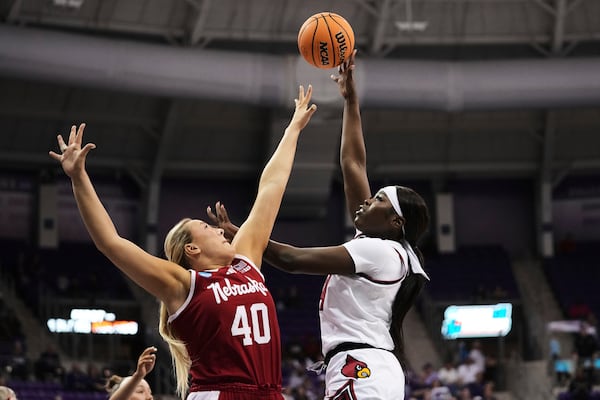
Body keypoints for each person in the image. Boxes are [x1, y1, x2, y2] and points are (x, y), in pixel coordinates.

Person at [49, 85, 317, 400]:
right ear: (192, 249)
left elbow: (271, 187)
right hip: (219, 393)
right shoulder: (184, 284)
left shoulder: (246, 264)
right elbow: (111, 242)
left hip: (268, 393)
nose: (220, 230)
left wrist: (293, 128)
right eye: (206, 227)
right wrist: (79, 177)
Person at [208, 50, 430, 399]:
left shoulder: (380, 252)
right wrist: (351, 100)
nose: (368, 201)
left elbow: (293, 261)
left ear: (395, 221)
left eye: (378, 201)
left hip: (362, 368)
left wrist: (248, 236)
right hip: (360, 366)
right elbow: (353, 164)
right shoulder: (382, 245)